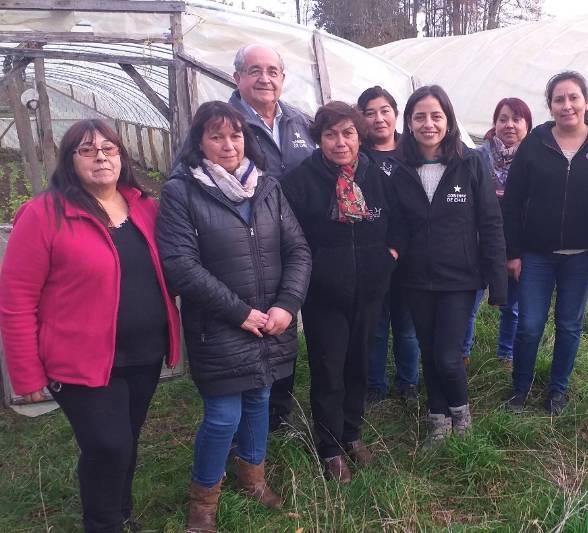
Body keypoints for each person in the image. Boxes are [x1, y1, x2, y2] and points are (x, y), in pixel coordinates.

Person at [0, 119, 181, 533]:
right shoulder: (45, 214)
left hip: (143, 353)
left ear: (121, 156)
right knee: (107, 444)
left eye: (109, 148)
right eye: (86, 150)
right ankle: (102, 524)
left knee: (127, 440)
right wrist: (25, 371)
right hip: (79, 360)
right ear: (69, 160)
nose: (101, 156)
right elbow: (16, 301)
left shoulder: (144, 207)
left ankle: (122, 513)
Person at [156, 101, 311, 531]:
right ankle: (203, 502)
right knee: (223, 414)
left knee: (260, 400)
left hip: (271, 322)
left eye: (236, 135)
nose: (229, 145)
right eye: (217, 136)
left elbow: (298, 250)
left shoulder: (266, 188)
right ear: (199, 142)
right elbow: (181, 265)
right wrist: (240, 312)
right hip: (219, 326)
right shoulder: (182, 191)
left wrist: (286, 305)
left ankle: (252, 478)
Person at [281, 101, 403, 483]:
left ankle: (353, 433)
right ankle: (330, 447)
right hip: (324, 296)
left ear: (359, 136)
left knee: (359, 367)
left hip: (369, 290)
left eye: (348, 133)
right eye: (330, 134)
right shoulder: (301, 181)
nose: (340, 142)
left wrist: (389, 256)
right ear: (319, 139)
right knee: (329, 370)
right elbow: (289, 237)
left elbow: (400, 218)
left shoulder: (377, 175)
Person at [391, 85, 507, 446]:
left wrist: (498, 282)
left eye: (436, 116)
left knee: (448, 355)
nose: (429, 123)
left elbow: (489, 222)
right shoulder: (398, 168)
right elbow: (393, 226)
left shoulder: (470, 163)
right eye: (420, 116)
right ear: (409, 123)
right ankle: (437, 419)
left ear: (448, 120)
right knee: (428, 351)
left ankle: (462, 416)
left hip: (459, 277)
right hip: (415, 278)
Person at [502, 71, 588, 414]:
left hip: (582, 255)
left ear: (585, 101)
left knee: (569, 324)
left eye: (573, 97)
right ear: (550, 106)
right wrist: (512, 252)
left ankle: (558, 390)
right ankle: (520, 388)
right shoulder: (535, 143)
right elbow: (512, 201)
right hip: (536, 254)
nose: (567, 105)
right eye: (559, 99)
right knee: (529, 325)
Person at [229, 44, 315, 430]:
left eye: (273, 71)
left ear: (282, 78)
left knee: (285, 322)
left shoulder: (299, 122)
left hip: (299, 244)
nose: (265, 78)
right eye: (254, 70)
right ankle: (247, 418)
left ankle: (280, 411)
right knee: (255, 325)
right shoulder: (223, 125)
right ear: (237, 78)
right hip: (250, 245)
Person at [358, 85, 422, 405]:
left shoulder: (413, 151)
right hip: (371, 254)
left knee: (408, 325)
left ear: (396, 115)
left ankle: (409, 382)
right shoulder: (357, 156)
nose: (379, 119)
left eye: (385, 111)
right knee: (376, 324)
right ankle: (375, 385)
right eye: (370, 113)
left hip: (410, 255)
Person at [461, 97, 533, 368]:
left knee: (512, 307)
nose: (509, 125)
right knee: (469, 302)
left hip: (516, 243)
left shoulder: (533, 158)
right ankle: (462, 353)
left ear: (527, 124)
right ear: (495, 123)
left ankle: (506, 354)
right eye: (503, 119)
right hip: (479, 242)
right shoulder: (477, 156)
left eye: (517, 119)